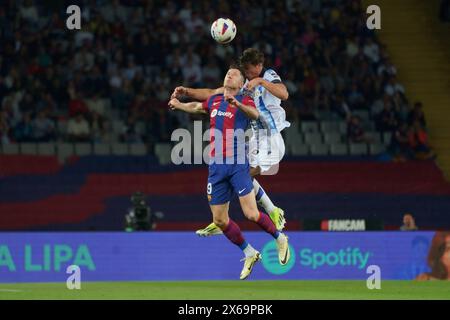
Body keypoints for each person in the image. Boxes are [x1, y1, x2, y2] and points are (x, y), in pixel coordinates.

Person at [168, 66, 290, 280]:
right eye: (227, 72)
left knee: (251, 214)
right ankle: (249, 252)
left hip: (237, 164)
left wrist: (239, 104)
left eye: (234, 74)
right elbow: (198, 106)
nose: (229, 74)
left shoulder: (245, 98)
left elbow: (254, 113)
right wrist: (179, 104)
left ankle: (280, 238)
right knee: (220, 220)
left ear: (241, 82)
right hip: (216, 168)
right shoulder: (215, 100)